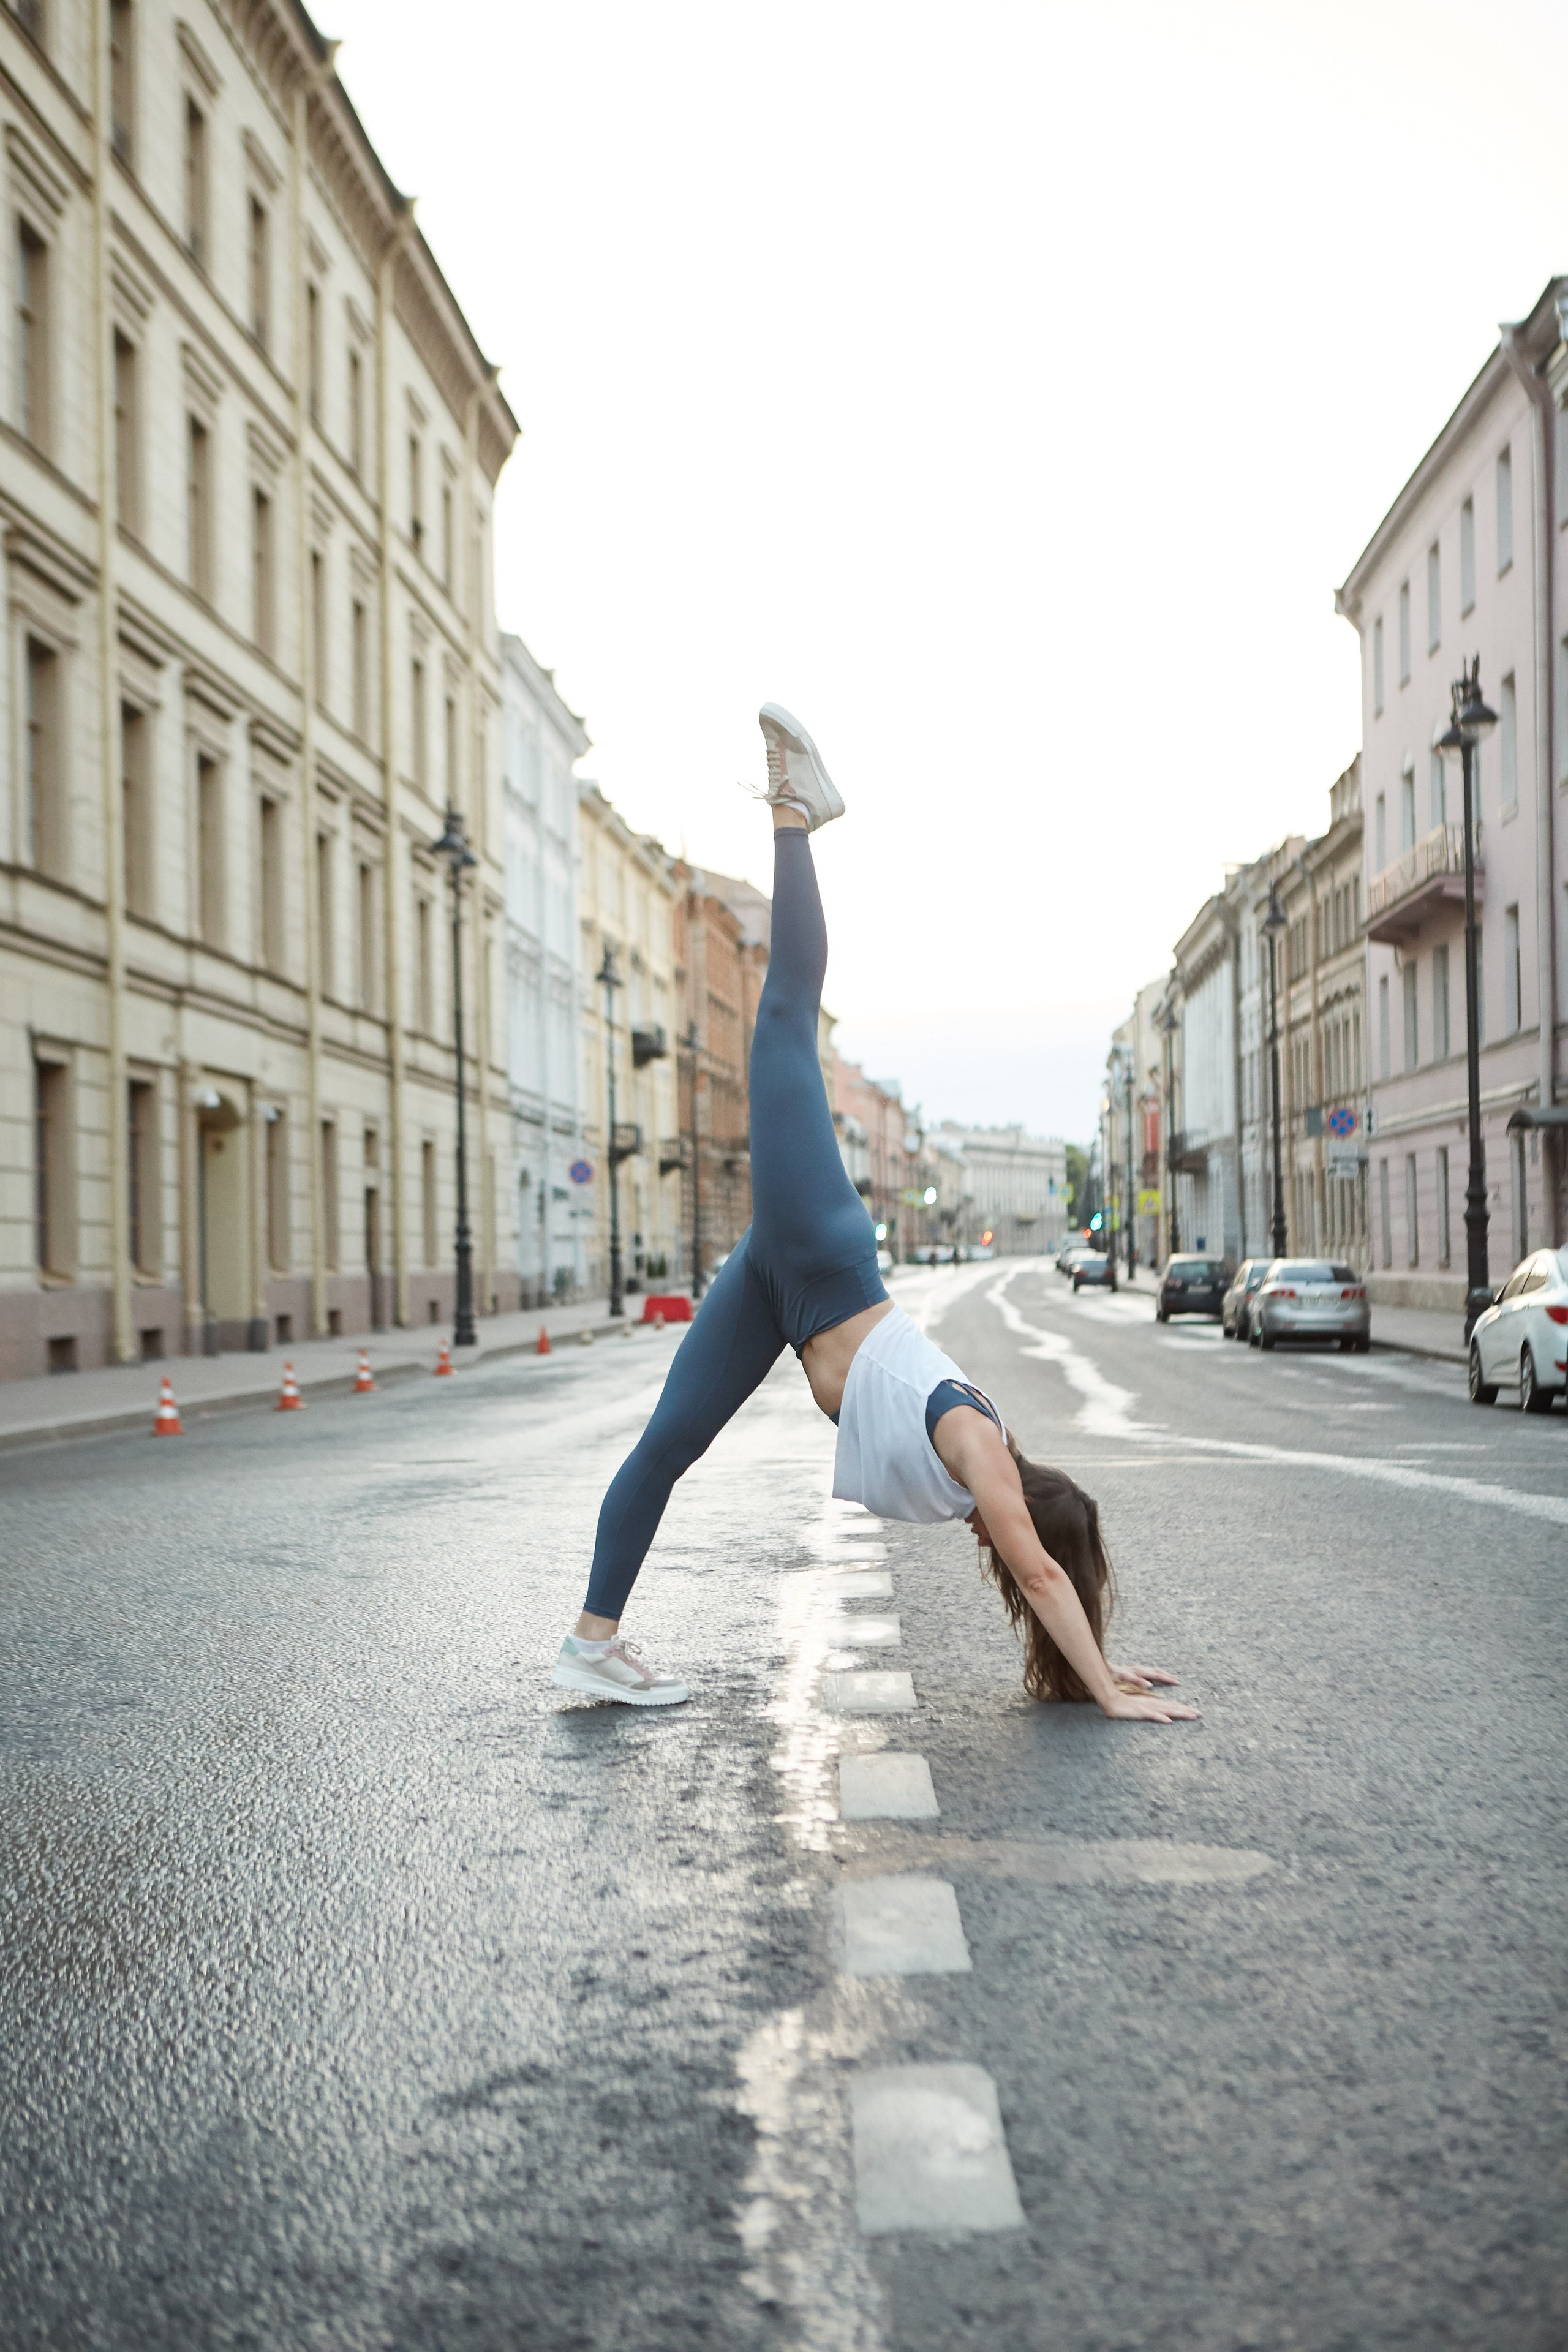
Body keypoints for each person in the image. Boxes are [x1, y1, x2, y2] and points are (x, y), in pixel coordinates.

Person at [552, 706, 1197, 1726]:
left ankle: (592, 1645)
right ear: (1032, 1517)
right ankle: (794, 810)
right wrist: (1112, 1701)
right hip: (822, 1258)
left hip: (785, 1287)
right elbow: (1040, 1580)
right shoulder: (982, 1454)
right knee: (781, 1022)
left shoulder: (987, 1469)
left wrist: (1104, 1667)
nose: (1007, 1552)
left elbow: (1044, 1583)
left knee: (667, 1445)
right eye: (1027, 1538)